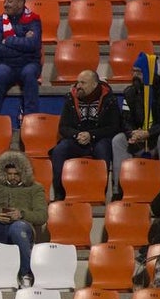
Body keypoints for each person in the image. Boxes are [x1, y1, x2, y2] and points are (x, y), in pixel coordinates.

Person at [113, 52, 160, 197]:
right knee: (119, 139)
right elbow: (125, 120)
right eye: (133, 71)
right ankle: (120, 191)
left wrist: (150, 132)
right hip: (141, 139)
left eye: (139, 72)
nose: (134, 75)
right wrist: (132, 134)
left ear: (149, 71)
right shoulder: (130, 92)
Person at [0, 151, 48, 288]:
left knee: (17, 228)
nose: (13, 177)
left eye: (16, 174)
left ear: (23, 173)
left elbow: (42, 216)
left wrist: (21, 214)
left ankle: (24, 274)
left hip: (22, 225)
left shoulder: (35, 188)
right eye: (9, 174)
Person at [50, 70, 121, 201]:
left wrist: (91, 135)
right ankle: (60, 194)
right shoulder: (70, 98)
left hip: (99, 139)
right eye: (78, 82)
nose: (78, 86)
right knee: (60, 150)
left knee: (103, 150)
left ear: (94, 84)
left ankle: (100, 194)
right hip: (76, 140)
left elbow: (114, 127)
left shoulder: (109, 99)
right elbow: (63, 127)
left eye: (83, 83)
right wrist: (77, 135)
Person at [0, 0, 42, 117]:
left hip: (29, 63)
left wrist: (8, 40)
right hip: (8, 64)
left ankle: (31, 118)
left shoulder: (33, 20)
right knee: (0, 73)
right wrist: (23, 48)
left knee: (29, 74)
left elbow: (33, 45)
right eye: (5, 1)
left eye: (9, 1)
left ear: (20, 3)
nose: (5, 4)